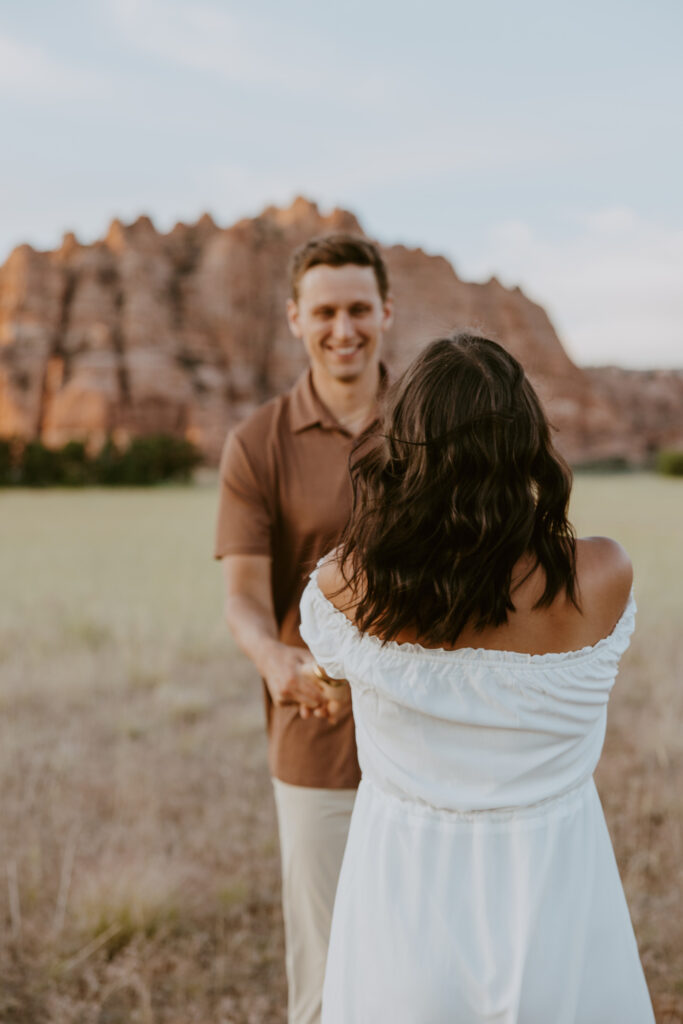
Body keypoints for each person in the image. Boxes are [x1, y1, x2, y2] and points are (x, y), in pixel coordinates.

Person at [299, 333, 655, 1023]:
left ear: (402, 446)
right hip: (561, 910)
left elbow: (333, 672)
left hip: (404, 909)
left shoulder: (345, 583)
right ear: (525, 440)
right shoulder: (602, 573)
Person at [214, 234, 393, 1024]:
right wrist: (271, 655)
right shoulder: (256, 442)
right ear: (294, 319)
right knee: (325, 972)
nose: (343, 329)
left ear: (388, 311)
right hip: (316, 735)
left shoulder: (433, 425)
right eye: (325, 312)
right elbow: (245, 596)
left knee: (423, 956)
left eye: (359, 309)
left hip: (433, 735)